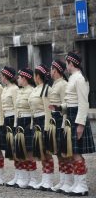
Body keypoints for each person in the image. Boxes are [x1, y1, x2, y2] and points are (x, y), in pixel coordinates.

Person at [51, 52, 95, 196]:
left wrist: (81, 124)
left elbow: (83, 103)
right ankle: (76, 183)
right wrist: (60, 107)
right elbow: (70, 101)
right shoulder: (72, 78)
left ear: (71, 63)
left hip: (76, 117)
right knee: (71, 152)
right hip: (70, 116)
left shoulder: (80, 79)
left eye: (67, 63)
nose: (66, 66)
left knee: (76, 154)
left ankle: (82, 186)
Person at [28, 64, 53, 190]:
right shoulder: (35, 89)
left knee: (46, 152)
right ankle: (44, 179)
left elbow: (48, 110)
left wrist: (47, 127)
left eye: (34, 75)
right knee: (41, 152)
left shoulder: (46, 89)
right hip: (36, 121)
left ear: (37, 76)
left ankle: (48, 180)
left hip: (44, 120)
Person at [48, 60, 68, 192]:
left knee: (65, 153)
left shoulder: (63, 85)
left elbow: (65, 105)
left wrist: (63, 125)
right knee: (58, 153)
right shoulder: (54, 84)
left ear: (55, 70)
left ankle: (68, 181)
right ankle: (62, 181)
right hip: (53, 119)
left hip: (60, 119)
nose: (50, 71)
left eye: (51, 69)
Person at [14, 68, 36, 189]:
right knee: (20, 150)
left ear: (25, 78)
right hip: (20, 121)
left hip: (28, 121)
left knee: (29, 151)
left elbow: (32, 109)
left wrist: (31, 124)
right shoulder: (19, 91)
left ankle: (32, 179)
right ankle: (24, 178)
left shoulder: (32, 90)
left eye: (19, 77)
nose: (17, 79)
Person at [0, 66, 19, 187]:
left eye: (2, 75)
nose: (1, 77)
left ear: (7, 76)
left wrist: (16, 123)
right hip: (7, 118)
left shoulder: (14, 89)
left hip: (13, 119)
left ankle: (20, 176)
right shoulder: (5, 89)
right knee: (12, 148)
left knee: (16, 147)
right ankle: (17, 175)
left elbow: (17, 107)